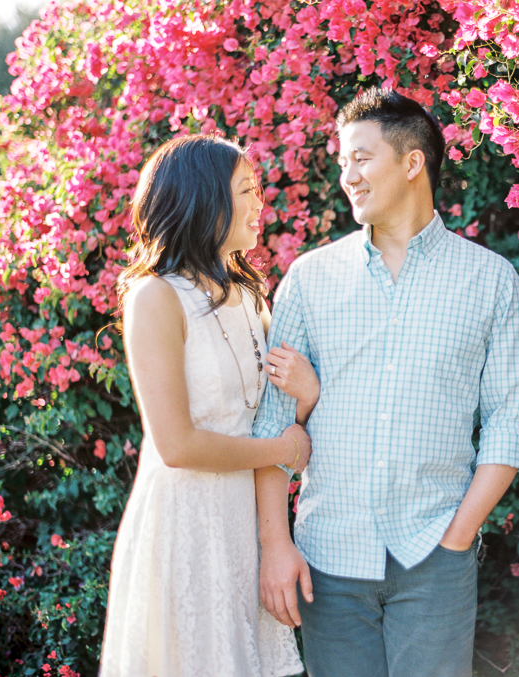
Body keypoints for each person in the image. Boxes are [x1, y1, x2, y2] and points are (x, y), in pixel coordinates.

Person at [253, 87, 519, 677]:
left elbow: (510, 426)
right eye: (342, 164)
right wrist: (276, 546)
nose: (347, 176)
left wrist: (457, 538)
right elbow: (272, 425)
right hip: (327, 560)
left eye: (362, 158)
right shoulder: (309, 279)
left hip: (435, 559)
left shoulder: (491, 282)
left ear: (412, 163)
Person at [99, 134, 320, 677]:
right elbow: (176, 445)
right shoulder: (154, 297)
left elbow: (275, 401)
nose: (259, 202)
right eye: (246, 190)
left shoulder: (251, 296)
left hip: (242, 524)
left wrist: (307, 396)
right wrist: (284, 447)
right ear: (203, 200)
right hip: (186, 522)